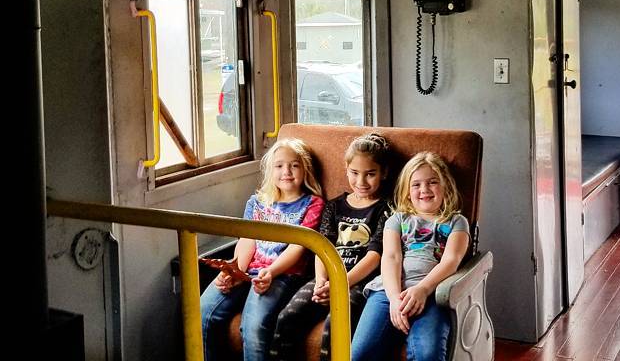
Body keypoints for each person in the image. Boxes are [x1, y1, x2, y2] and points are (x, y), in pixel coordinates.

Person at [272, 133, 393, 361]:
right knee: (287, 318)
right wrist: (320, 281)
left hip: (360, 282)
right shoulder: (334, 206)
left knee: (334, 326)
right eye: (355, 173)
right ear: (346, 169)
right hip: (326, 277)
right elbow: (322, 245)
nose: (361, 182)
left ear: (384, 173)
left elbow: (375, 256)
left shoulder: (386, 209)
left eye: (370, 174)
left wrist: (339, 284)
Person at [201, 138, 325, 361]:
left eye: (294, 165)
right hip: (247, 270)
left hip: (282, 274)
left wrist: (271, 272)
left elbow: (298, 247)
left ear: (305, 168)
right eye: (279, 166)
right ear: (270, 170)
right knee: (203, 312)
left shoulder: (313, 204)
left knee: (254, 326)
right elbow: (247, 240)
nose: (286, 171)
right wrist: (233, 271)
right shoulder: (257, 202)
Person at [351, 152, 469, 361]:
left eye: (433, 182)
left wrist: (423, 289)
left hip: (433, 295)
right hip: (388, 293)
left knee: (428, 353)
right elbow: (391, 258)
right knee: (359, 354)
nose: (424, 189)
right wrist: (395, 299)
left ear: (446, 187)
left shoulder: (456, 221)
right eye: (416, 185)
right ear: (407, 192)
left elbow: (451, 260)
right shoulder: (397, 220)